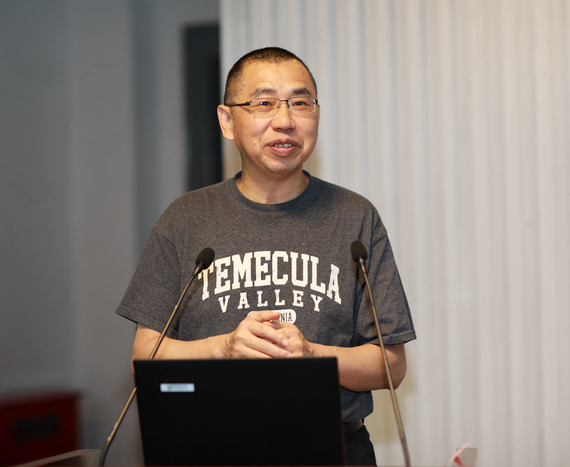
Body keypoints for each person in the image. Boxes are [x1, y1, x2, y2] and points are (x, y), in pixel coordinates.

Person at [116, 47, 416, 465]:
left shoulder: (355, 217)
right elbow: (144, 358)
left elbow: (392, 366)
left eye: (300, 103)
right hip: (208, 450)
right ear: (227, 121)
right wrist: (224, 348)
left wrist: (311, 356)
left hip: (334, 451)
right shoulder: (184, 219)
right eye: (264, 103)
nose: (285, 120)